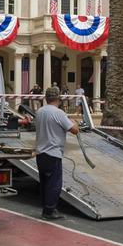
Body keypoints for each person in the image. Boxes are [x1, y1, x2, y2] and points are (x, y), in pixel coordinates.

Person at [34, 86, 79, 220]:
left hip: (40, 153)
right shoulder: (59, 113)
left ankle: (46, 208)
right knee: (54, 184)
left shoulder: (40, 111)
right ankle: (50, 211)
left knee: (44, 183)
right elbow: (74, 130)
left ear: (46, 98)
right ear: (58, 98)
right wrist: (74, 122)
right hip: (53, 153)